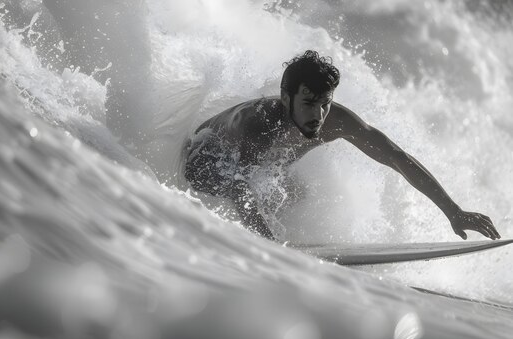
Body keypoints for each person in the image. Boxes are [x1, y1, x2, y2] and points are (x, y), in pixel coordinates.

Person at [181, 50, 500, 242]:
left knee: (297, 194)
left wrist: (454, 212)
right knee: (229, 183)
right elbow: (240, 189)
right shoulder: (258, 124)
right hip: (204, 158)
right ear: (286, 95)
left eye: (325, 104)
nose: (318, 115)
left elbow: (396, 157)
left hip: (251, 170)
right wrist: (272, 251)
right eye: (309, 103)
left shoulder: (336, 122)